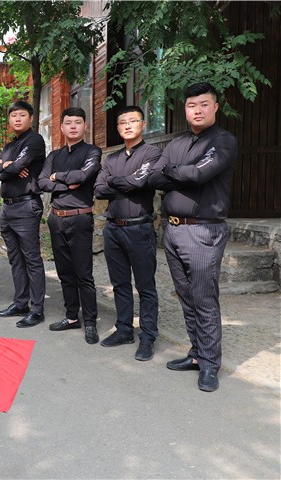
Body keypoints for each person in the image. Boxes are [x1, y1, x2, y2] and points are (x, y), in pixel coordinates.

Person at [147, 82, 237, 392]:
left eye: (203, 104)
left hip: (203, 230)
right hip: (172, 229)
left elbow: (200, 175)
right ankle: (197, 353)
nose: (197, 110)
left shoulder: (223, 141)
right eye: (191, 105)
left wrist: (175, 172)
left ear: (215, 107)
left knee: (203, 297)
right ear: (185, 109)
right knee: (186, 296)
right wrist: (181, 172)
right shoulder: (177, 143)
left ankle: (210, 364)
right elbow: (154, 177)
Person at [94, 106, 161, 360]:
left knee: (145, 286)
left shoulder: (152, 153)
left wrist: (114, 181)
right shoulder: (111, 159)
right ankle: (124, 329)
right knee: (120, 283)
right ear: (118, 128)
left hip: (139, 228)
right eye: (123, 122)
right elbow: (99, 189)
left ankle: (148, 336)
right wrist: (125, 182)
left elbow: (140, 181)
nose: (128, 125)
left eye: (133, 121)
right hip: (113, 228)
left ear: (143, 124)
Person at [38, 107, 102, 343]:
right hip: (56, 218)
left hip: (80, 217)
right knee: (64, 272)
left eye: (78, 122)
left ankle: (91, 322)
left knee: (83, 273)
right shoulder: (54, 155)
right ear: (62, 127)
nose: (73, 126)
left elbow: (82, 177)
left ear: (85, 126)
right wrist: (65, 182)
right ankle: (72, 316)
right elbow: (42, 182)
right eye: (68, 122)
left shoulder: (92, 151)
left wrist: (57, 176)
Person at [0, 100, 47, 327]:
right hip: (8, 207)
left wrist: (6, 167)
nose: (18, 119)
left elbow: (13, 167)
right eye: (14, 116)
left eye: (22, 115)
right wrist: (7, 166)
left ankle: (37, 309)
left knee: (31, 258)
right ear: (9, 120)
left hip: (26, 206)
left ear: (30, 118)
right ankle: (21, 302)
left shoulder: (34, 140)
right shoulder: (10, 145)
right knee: (15, 258)